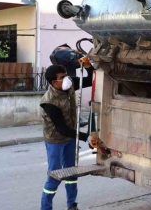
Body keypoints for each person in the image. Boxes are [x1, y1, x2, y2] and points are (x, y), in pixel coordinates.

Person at [40, 59, 94, 210]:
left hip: (69, 138)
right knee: (55, 176)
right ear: (53, 82)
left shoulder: (68, 86)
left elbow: (90, 79)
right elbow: (62, 128)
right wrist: (86, 136)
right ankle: (45, 208)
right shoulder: (49, 101)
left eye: (66, 75)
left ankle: (72, 205)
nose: (66, 79)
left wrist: (88, 66)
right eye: (62, 77)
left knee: (71, 174)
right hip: (55, 141)